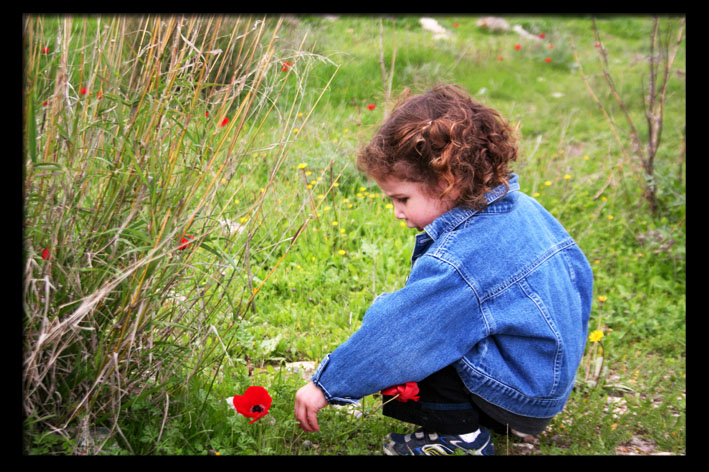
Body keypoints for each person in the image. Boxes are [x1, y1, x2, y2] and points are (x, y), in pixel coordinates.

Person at [294, 84, 593, 455]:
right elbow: (579, 277)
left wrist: (326, 385)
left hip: (515, 396)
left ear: (447, 181)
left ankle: (460, 438)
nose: (397, 212)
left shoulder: (464, 258)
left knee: (419, 327)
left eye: (402, 198)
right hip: (541, 386)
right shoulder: (526, 209)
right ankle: (496, 418)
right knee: (440, 318)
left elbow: (403, 333)